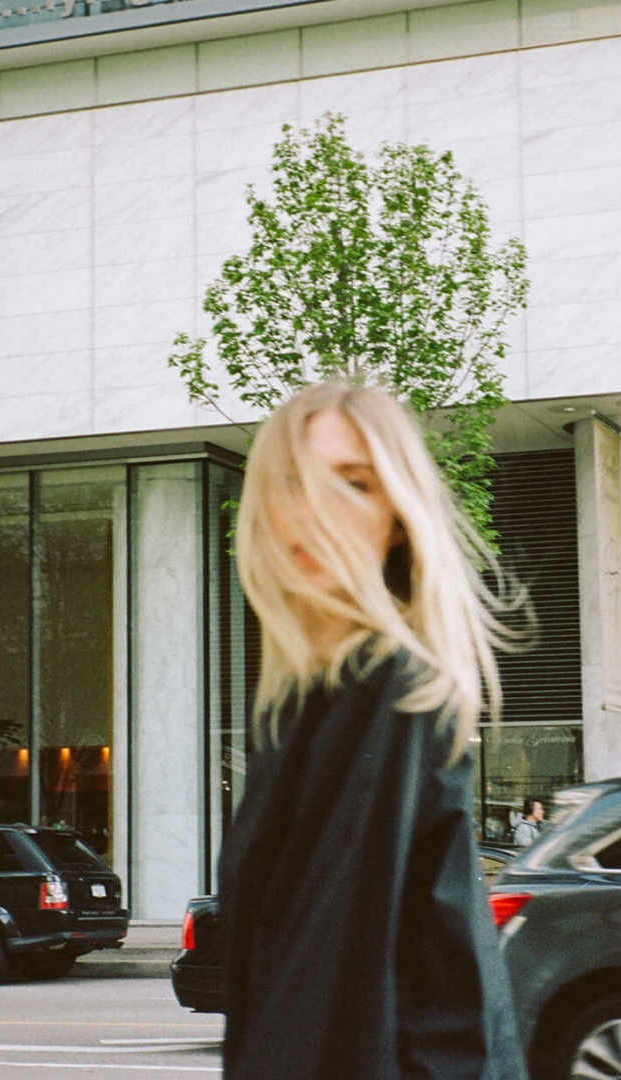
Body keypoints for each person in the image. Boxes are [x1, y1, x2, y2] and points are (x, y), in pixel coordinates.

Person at [217, 381, 528, 1080]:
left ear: (398, 520)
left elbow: (327, 990)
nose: (313, 510)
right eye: (293, 481)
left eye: (353, 484)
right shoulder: (303, 702)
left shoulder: (389, 690)